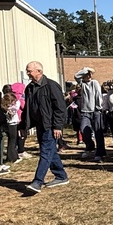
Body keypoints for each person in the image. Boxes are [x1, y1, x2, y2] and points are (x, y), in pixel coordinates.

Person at [23, 61, 70, 192]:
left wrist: (57, 126)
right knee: (50, 151)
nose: (28, 73)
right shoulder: (30, 88)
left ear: (39, 71)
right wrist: (24, 126)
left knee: (45, 153)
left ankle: (37, 181)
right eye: (27, 71)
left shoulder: (51, 86)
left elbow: (60, 108)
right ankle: (61, 176)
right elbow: (27, 109)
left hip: (50, 126)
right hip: (40, 126)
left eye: (29, 71)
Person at [75, 68, 106, 162]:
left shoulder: (95, 82)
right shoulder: (82, 84)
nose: (88, 76)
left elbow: (98, 95)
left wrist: (99, 108)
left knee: (98, 132)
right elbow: (76, 76)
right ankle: (90, 147)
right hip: (85, 111)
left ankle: (100, 153)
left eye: (89, 74)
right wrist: (86, 69)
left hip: (96, 111)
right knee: (84, 129)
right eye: (86, 74)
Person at [2, 85, 21, 165]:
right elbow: (13, 112)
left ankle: (13, 156)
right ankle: (12, 158)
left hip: (12, 124)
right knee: (12, 141)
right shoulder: (9, 108)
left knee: (12, 140)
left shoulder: (6, 107)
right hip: (11, 124)